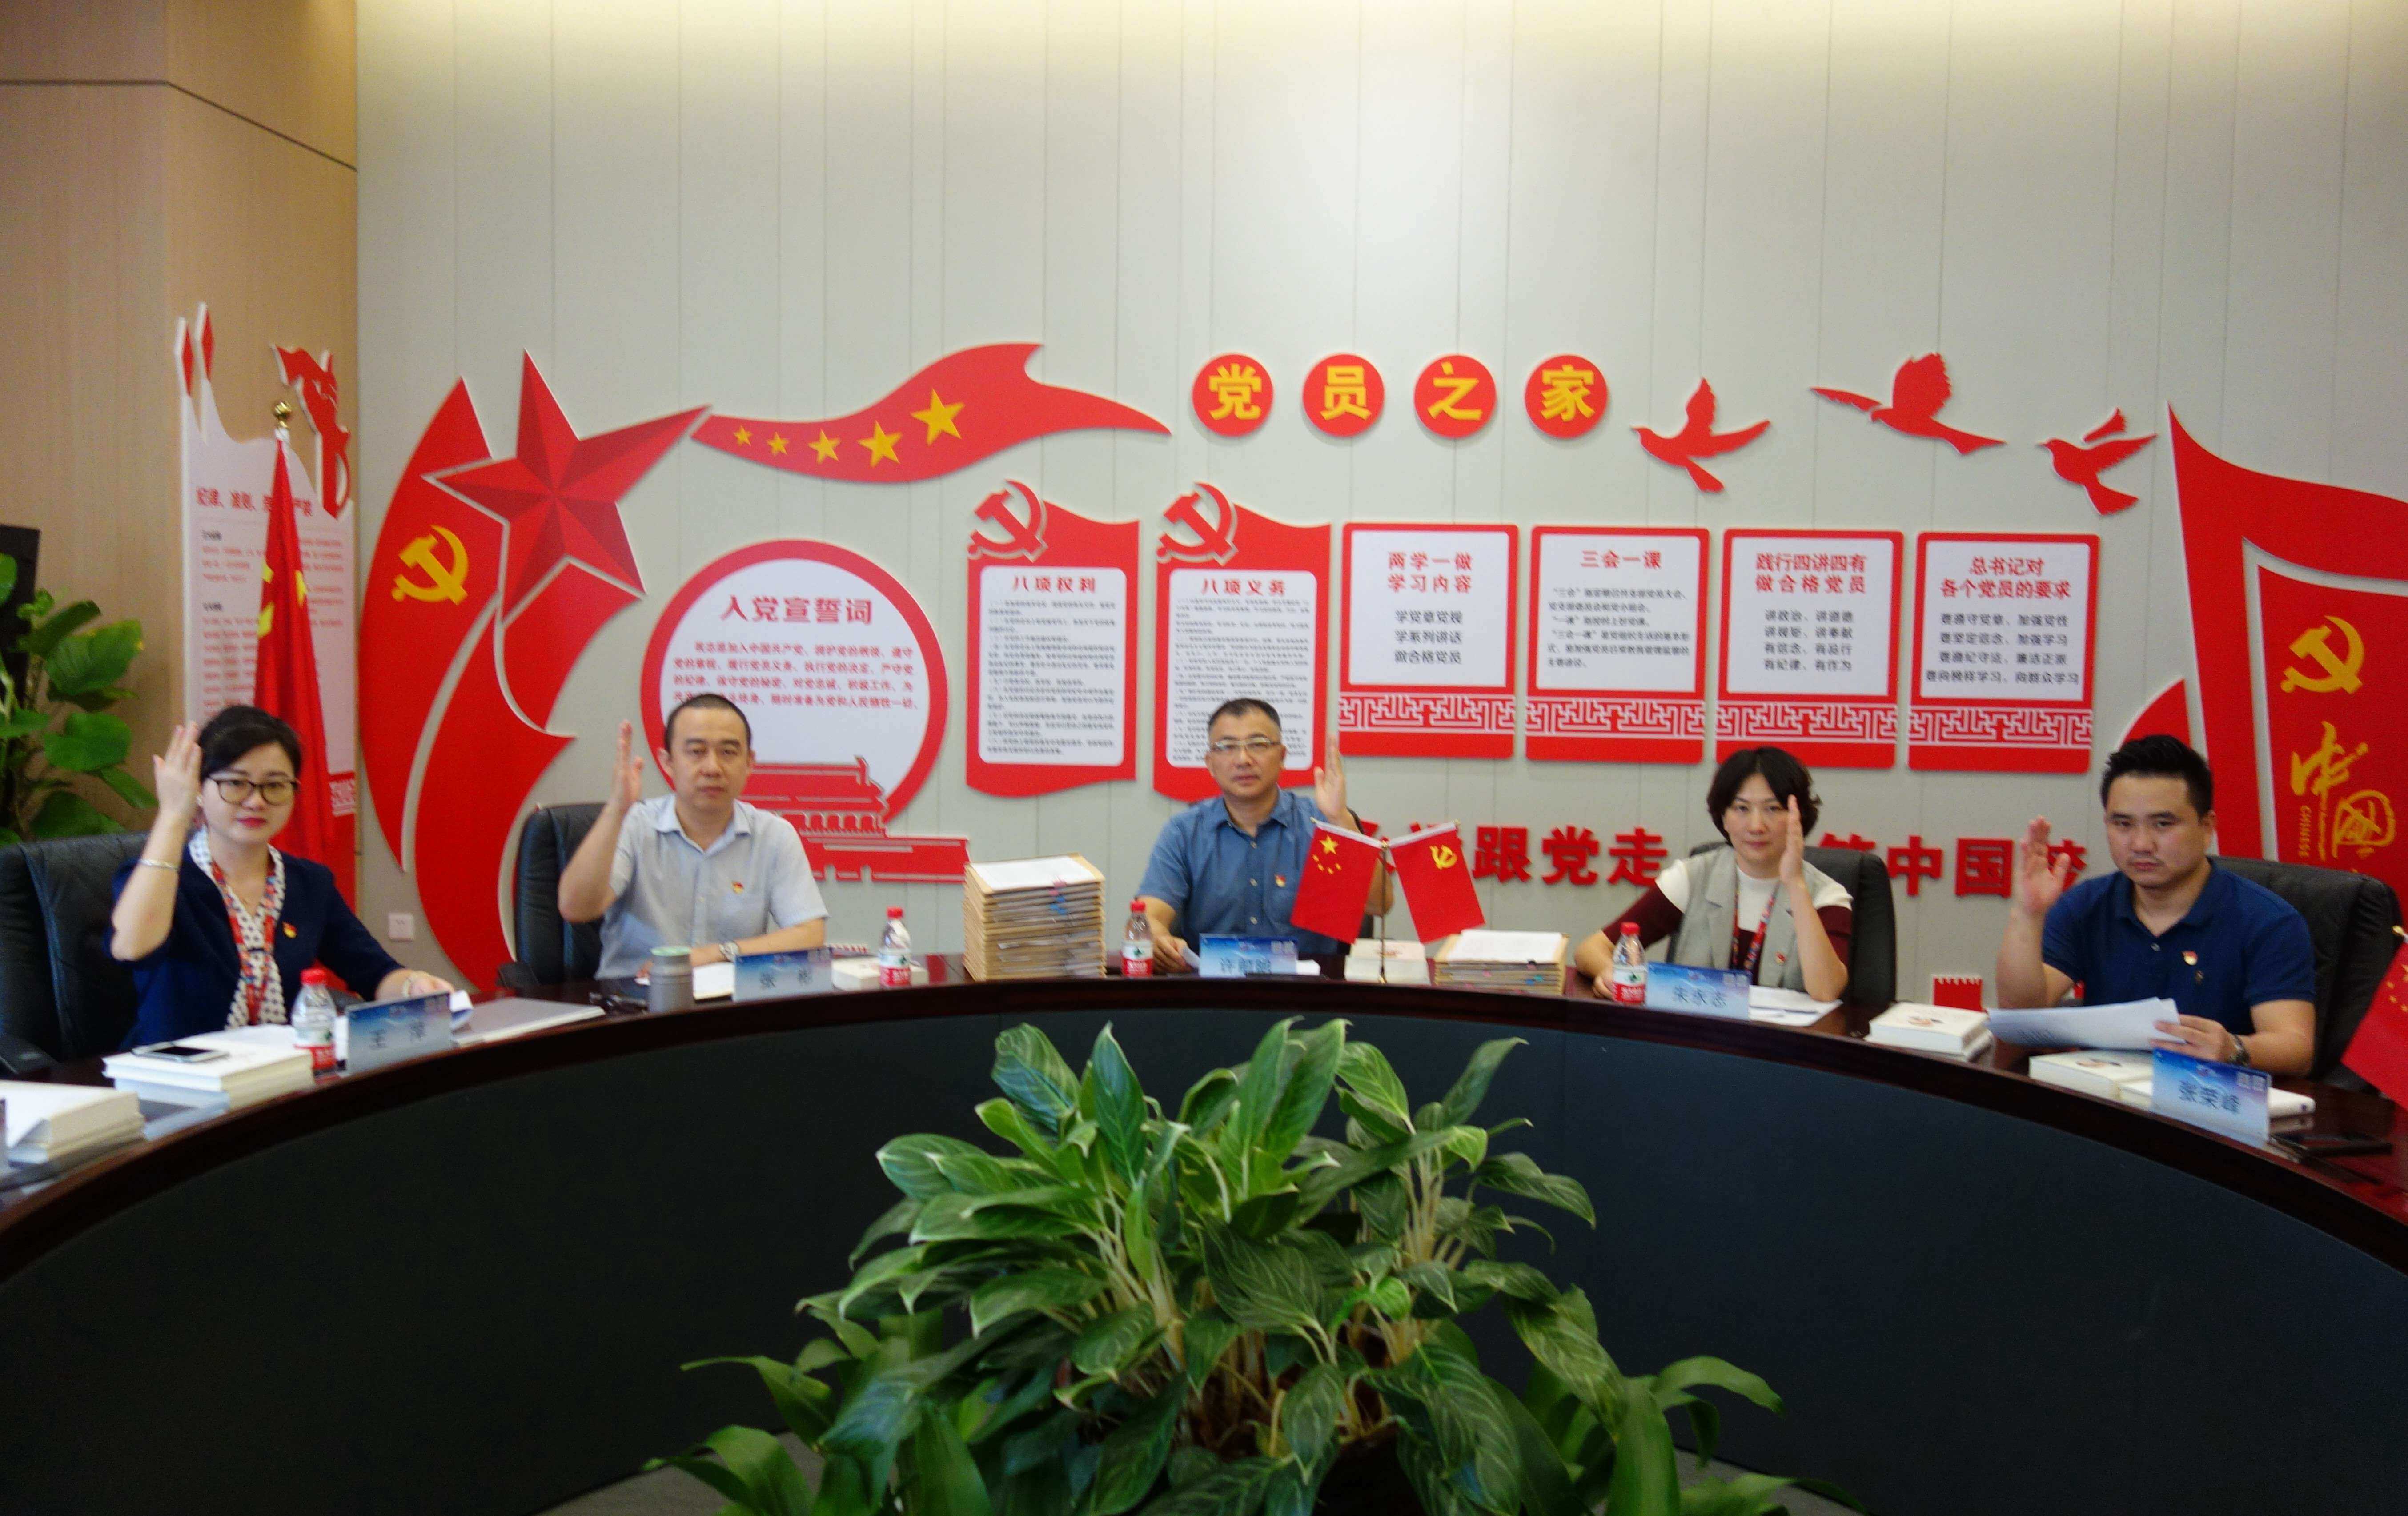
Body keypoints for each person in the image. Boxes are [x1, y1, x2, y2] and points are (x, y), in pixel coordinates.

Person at [110, 706, 452, 1047]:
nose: (256, 801)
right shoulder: (162, 879)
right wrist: (173, 815)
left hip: (279, 1070)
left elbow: (375, 973)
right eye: (235, 783)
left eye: (275, 785)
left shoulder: (309, 884)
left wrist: (414, 985)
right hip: (176, 1072)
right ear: (199, 788)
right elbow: (131, 948)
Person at [1995, 734, 2316, 1075]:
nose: (2141, 844)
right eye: (2123, 824)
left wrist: (2234, 1048)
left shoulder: (2268, 921)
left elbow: (2295, 1047)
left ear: (2207, 828)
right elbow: (2022, 1013)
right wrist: (2028, 914)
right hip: (2104, 1093)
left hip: (2208, 1094)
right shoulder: (2087, 904)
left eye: (2163, 824)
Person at [558, 693, 827, 978]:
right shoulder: (634, 825)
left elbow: (809, 934)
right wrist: (617, 809)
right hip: (635, 995)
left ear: (749, 763)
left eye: (728, 752)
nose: (712, 768)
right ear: (668, 762)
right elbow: (576, 909)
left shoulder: (774, 835)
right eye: (696, 752)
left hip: (729, 1000)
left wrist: (716, 954)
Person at [1571, 746, 1851, 1002]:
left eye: (1773, 809)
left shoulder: (1826, 894)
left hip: (1783, 1041)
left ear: (1798, 817)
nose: (1756, 826)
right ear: (1723, 817)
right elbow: (1591, 950)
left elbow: (1826, 990)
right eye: (1742, 808)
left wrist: (1796, 884)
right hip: (1696, 1037)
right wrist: (1613, 973)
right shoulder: (1693, 878)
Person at [1136, 698, 1390, 971]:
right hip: (1211, 987)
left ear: (1282, 756)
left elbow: (1380, 904)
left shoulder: (1321, 824)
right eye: (1227, 747)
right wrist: (1157, 938)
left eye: (1258, 744)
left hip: (1310, 987)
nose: (1243, 760)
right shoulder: (1185, 833)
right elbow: (1150, 915)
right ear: (1210, 763)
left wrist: (1340, 819)